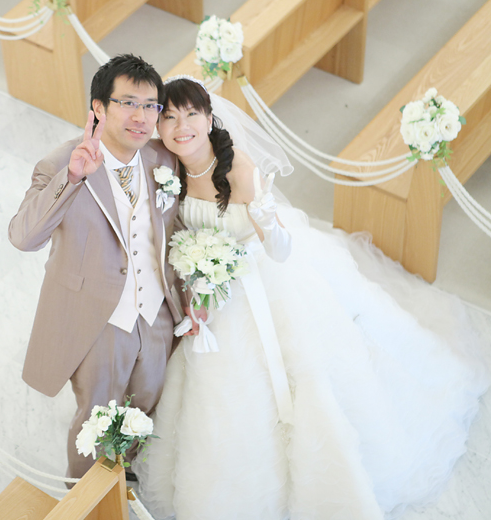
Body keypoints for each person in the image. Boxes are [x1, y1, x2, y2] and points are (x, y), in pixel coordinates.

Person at [134, 75, 490, 519]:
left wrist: (264, 214)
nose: (180, 126)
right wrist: (196, 283)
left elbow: (281, 251)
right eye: (169, 117)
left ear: (209, 117)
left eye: (191, 114)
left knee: (308, 373)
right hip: (214, 290)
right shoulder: (168, 170)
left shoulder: (238, 170)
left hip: (267, 277)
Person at [9, 55, 185, 480]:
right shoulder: (61, 163)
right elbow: (22, 237)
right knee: (96, 418)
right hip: (100, 319)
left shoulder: (163, 160)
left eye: (150, 106)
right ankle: (84, 494)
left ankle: (125, 477)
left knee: (147, 404)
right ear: (99, 108)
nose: (141, 117)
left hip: (157, 314)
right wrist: (72, 179)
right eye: (128, 103)